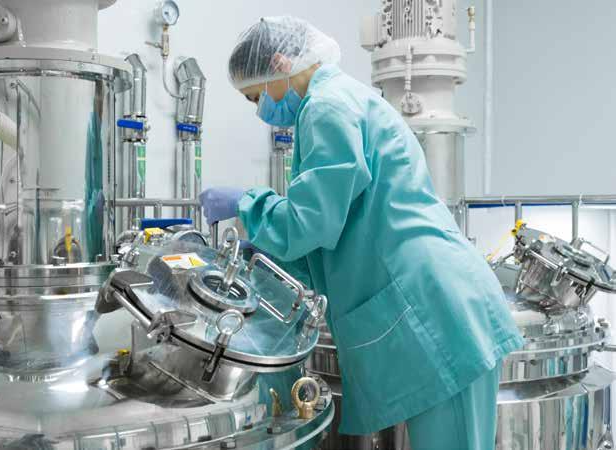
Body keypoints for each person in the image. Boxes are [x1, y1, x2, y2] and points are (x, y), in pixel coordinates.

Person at [200, 16, 523, 450]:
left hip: (435, 309)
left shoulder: (326, 107)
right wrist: (265, 254)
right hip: (434, 300)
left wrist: (248, 204)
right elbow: (336, 230)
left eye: (257, 96)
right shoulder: (341, 99)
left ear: (279, 63)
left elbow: (311, 220)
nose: (262, 111)